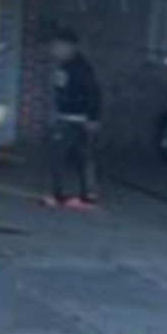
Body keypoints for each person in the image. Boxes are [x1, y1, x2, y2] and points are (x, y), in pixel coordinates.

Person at [45, 28, 102, 209]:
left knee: (68, 156)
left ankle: (72, 194)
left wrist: (93, 117)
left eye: (59, 46)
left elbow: (93, 92)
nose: (55, 50)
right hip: (65, 116)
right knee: (74, 157)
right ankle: (76, 193)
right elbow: (60, 91)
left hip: (76, 118)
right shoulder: (62, 66)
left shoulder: (80, 68)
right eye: (54, 46)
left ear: (70, 47)